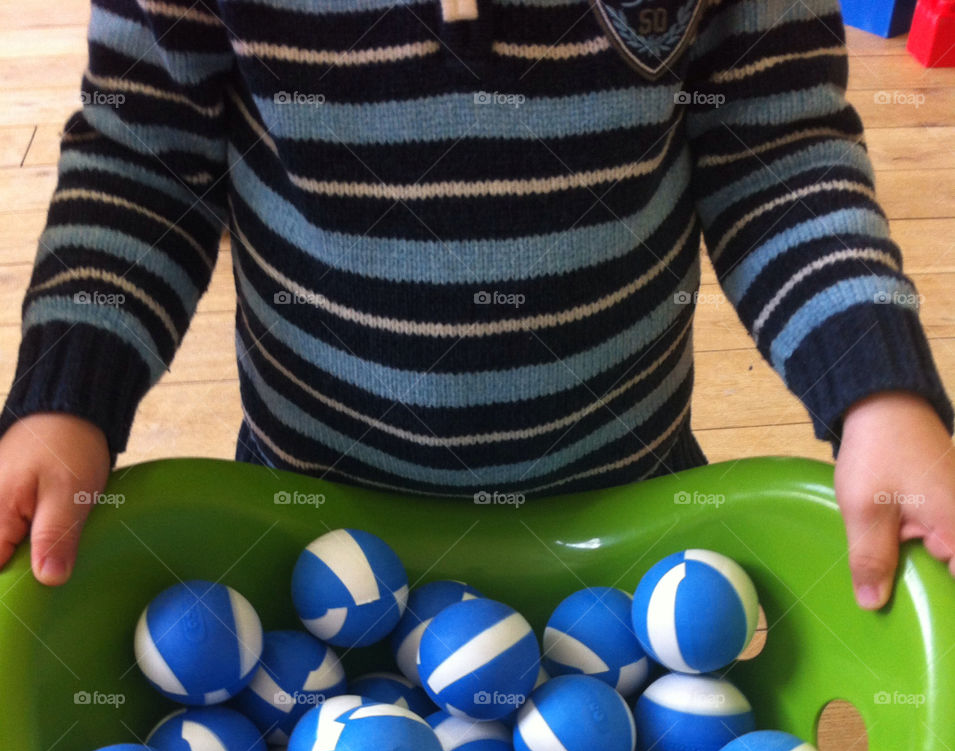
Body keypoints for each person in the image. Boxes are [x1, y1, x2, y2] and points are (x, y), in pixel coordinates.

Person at [1, 0, 953, 608]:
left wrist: (879, 392)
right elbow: (143, 164)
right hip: (314, 523)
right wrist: (65, 402)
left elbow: (774, 156)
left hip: (623, 515)